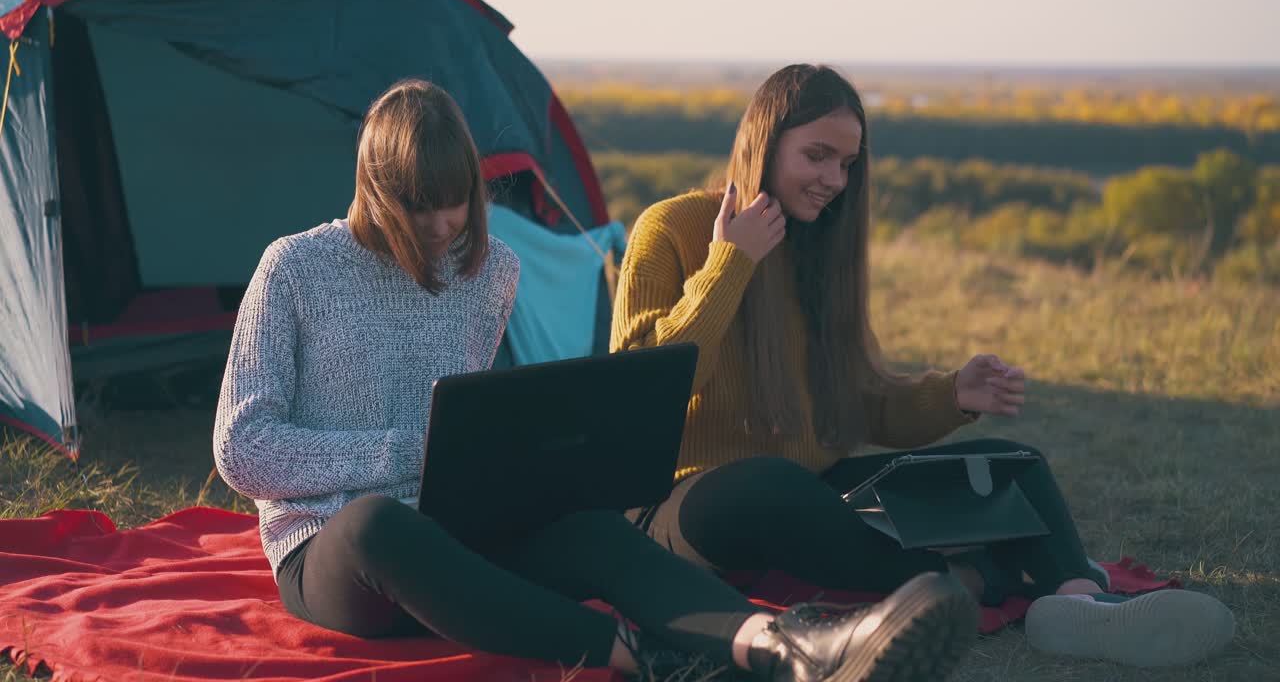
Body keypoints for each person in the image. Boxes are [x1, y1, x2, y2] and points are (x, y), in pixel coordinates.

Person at [213, 78, 982, 682]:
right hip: (337, 555)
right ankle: (641, 658)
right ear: (376, 190)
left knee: (588, 527)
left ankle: (784, 648)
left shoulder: (489, 270)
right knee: (379, 521)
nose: (445, 230)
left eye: (458, 207)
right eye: (422, 213)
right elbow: (242, 448)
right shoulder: (296, 269)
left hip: (458, 537)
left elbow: (463, 419)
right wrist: (403, 452)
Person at [611, 64, 1236, 668]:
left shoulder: (819, 250)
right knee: (767, 485)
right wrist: (730, 264)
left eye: (848, 164)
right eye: (817, 156)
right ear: (765, 144)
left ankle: (1075, 603)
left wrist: (953, 396)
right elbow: (639, 396)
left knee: (1010, 466)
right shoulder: (672, 227)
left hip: (811, 492)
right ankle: (975, 579)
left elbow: (864, 404)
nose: (835, 179)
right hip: (684, 509)